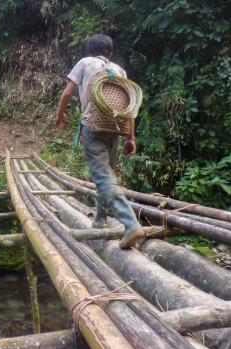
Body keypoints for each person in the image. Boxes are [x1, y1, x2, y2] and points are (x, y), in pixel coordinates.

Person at [55, 33, 145, 249]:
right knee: (107, 176)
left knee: (103, 177)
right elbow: (130, 107)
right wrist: (131, 138)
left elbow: (67, 93)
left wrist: (60, 114)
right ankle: (100, 220)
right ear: (109, 53)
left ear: (89, 50)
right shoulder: (119, 70)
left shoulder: (85, 63)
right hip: (116, 128)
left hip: (93, 126)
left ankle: (131, 223)